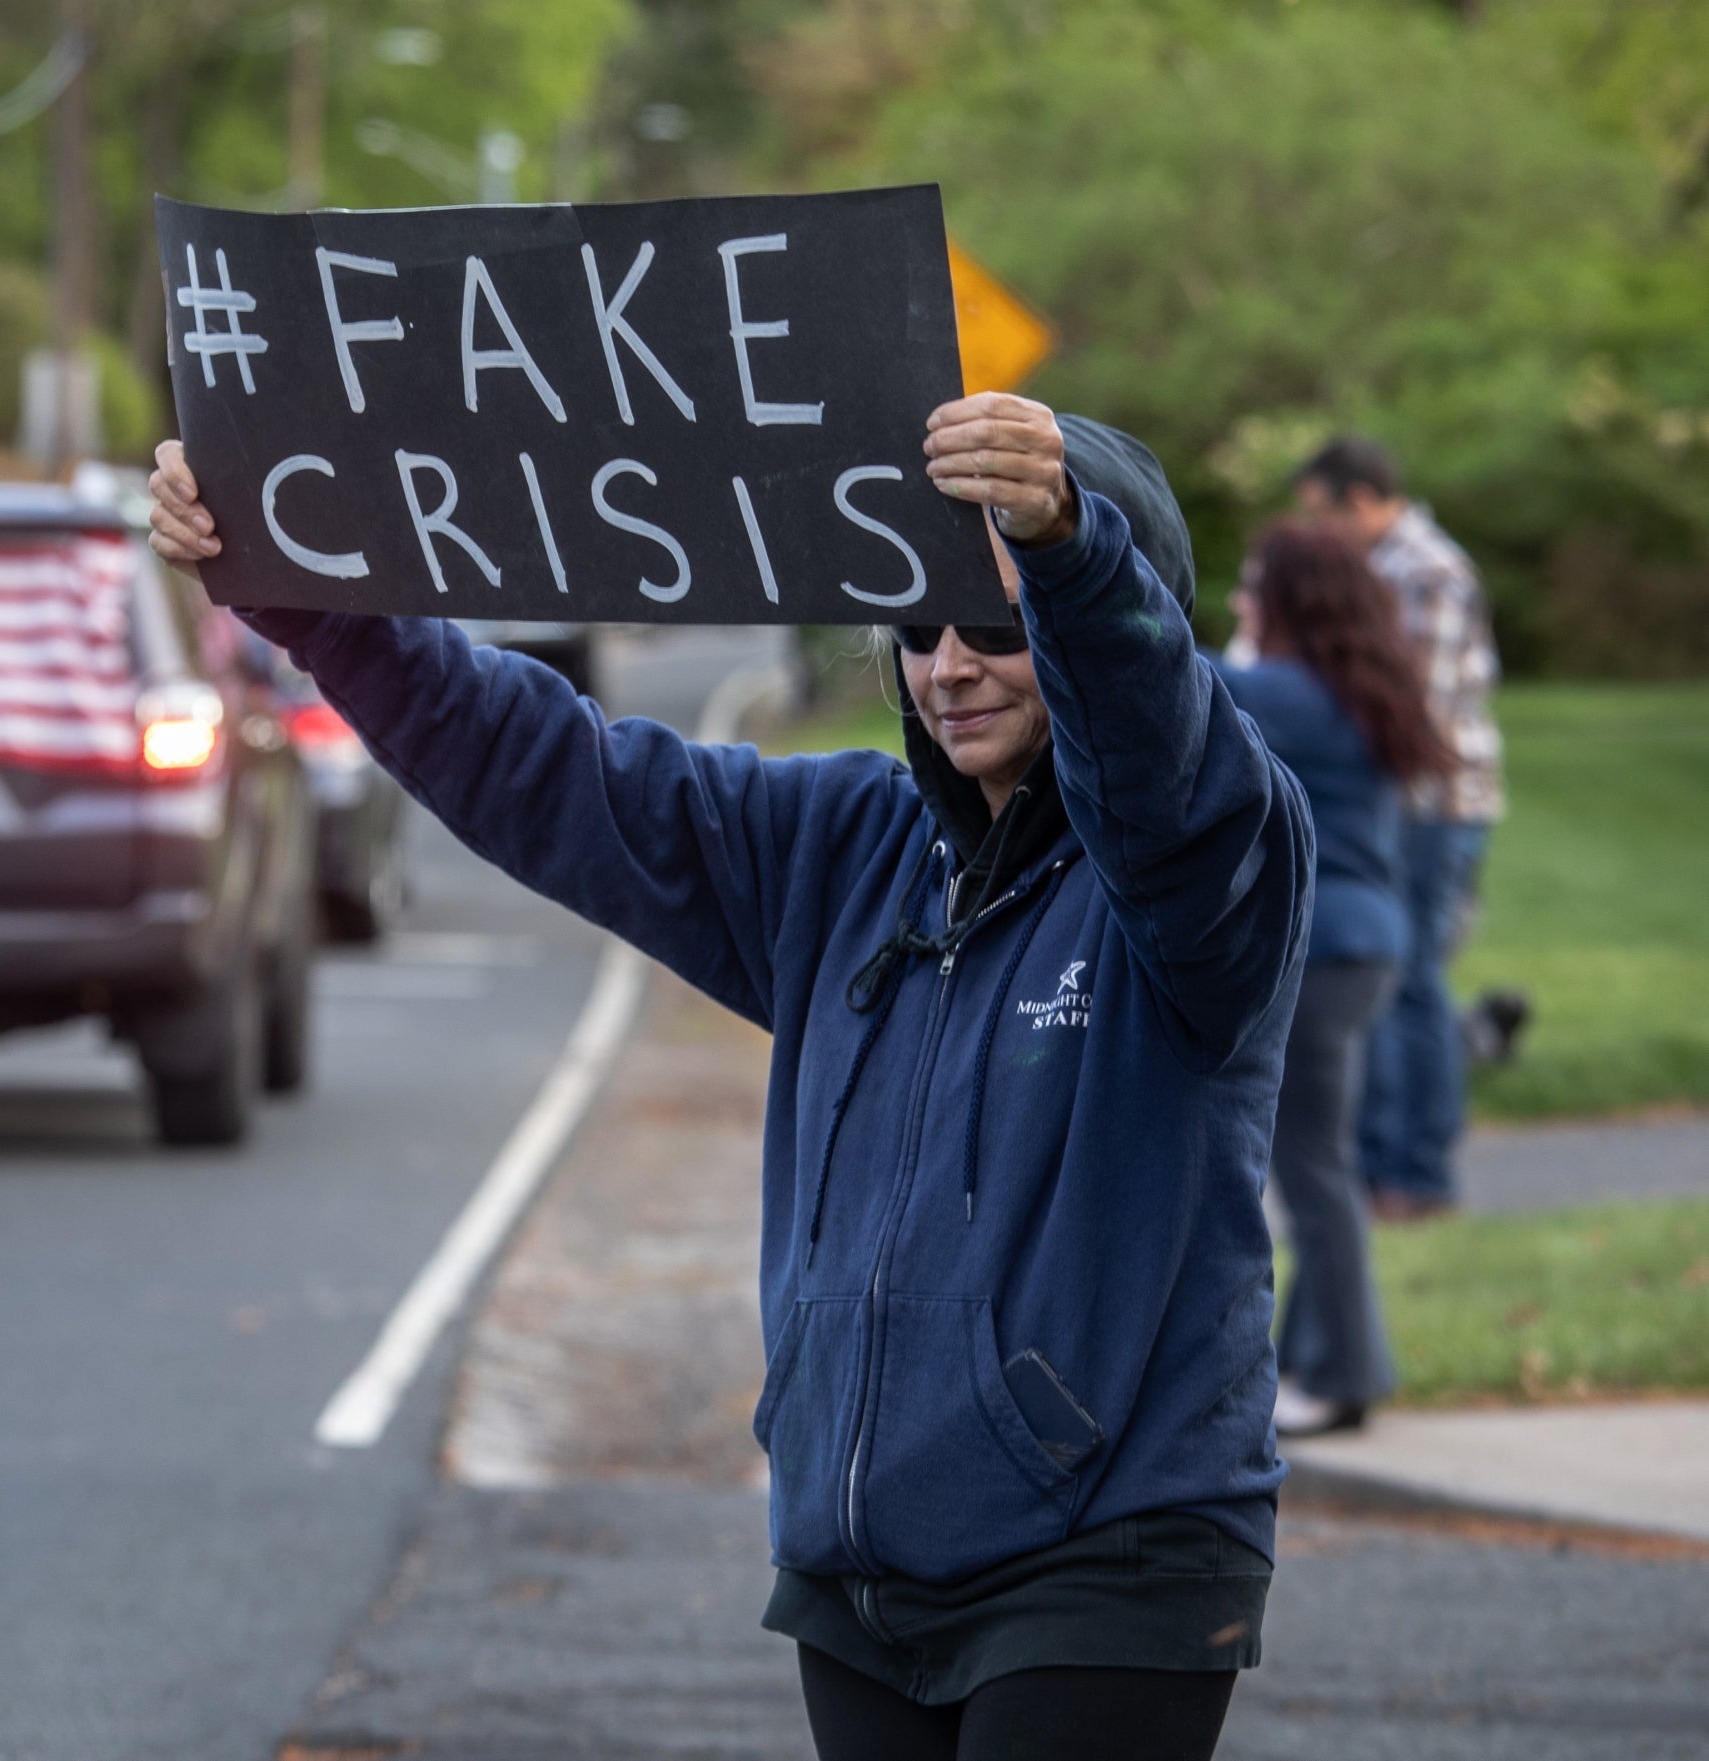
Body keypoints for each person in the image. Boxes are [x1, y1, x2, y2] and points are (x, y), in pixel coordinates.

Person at [149, 393, 1316, 1761]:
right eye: (918, 627)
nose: (952, 666)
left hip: (1110, 1561)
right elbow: (545, 769)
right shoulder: (839, 847)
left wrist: (1071, 555)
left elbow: (1164, 764)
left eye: (999, 627)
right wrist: (314, 602)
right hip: (857, 1571)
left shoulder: (1211, 878)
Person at [1221, 522, 1455, 1436]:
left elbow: (1155, 674)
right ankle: (1318, 1360)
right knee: (1326, 1164)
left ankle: (1347, 1376)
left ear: (1291, 602)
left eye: (1253, 586)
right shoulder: (1356, 692)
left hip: (1319, 952)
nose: (1242, 599)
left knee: (1312, 1169)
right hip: (1369, 946)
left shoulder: (1280, 691)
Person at [1295, 438, 1503, 1219]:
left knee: (1412, 981)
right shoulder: (1385, 568)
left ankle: (1421, 1173)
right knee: (1394, 982)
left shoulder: (1429, 573)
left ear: (1360, 501)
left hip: (1431, 807)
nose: (1319, 529)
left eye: (1322, 512)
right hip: (1392, 807)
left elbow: (1417, 714)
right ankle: (1387, 1166)